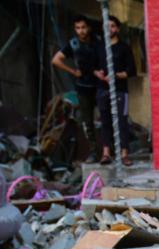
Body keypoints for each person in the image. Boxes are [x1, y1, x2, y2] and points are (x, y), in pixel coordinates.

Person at [51, 15, 103, 162]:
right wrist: (73, 71)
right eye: (78, 28)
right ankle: (93, 152)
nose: (81, 31)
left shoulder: (98, 42)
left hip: (100, 85)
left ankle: (108, 150)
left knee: (106, 118)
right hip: (83, 87)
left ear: (89, 28)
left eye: (83, 27)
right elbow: (56, 60)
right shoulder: (73, 44)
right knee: (87, 122)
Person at [94, 17, 137, 166]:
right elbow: (92, 67)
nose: (109, 29)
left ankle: (124, 154)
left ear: (117, 29)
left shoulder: (124, 48)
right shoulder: (99, 47)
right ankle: (106, 153)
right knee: (105, 121)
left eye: (112, 26)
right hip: (102, 90)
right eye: (107, 26)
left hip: (120, 91)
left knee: (121, 122)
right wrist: (98, 74)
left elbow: (132, 71)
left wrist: (116, 75)